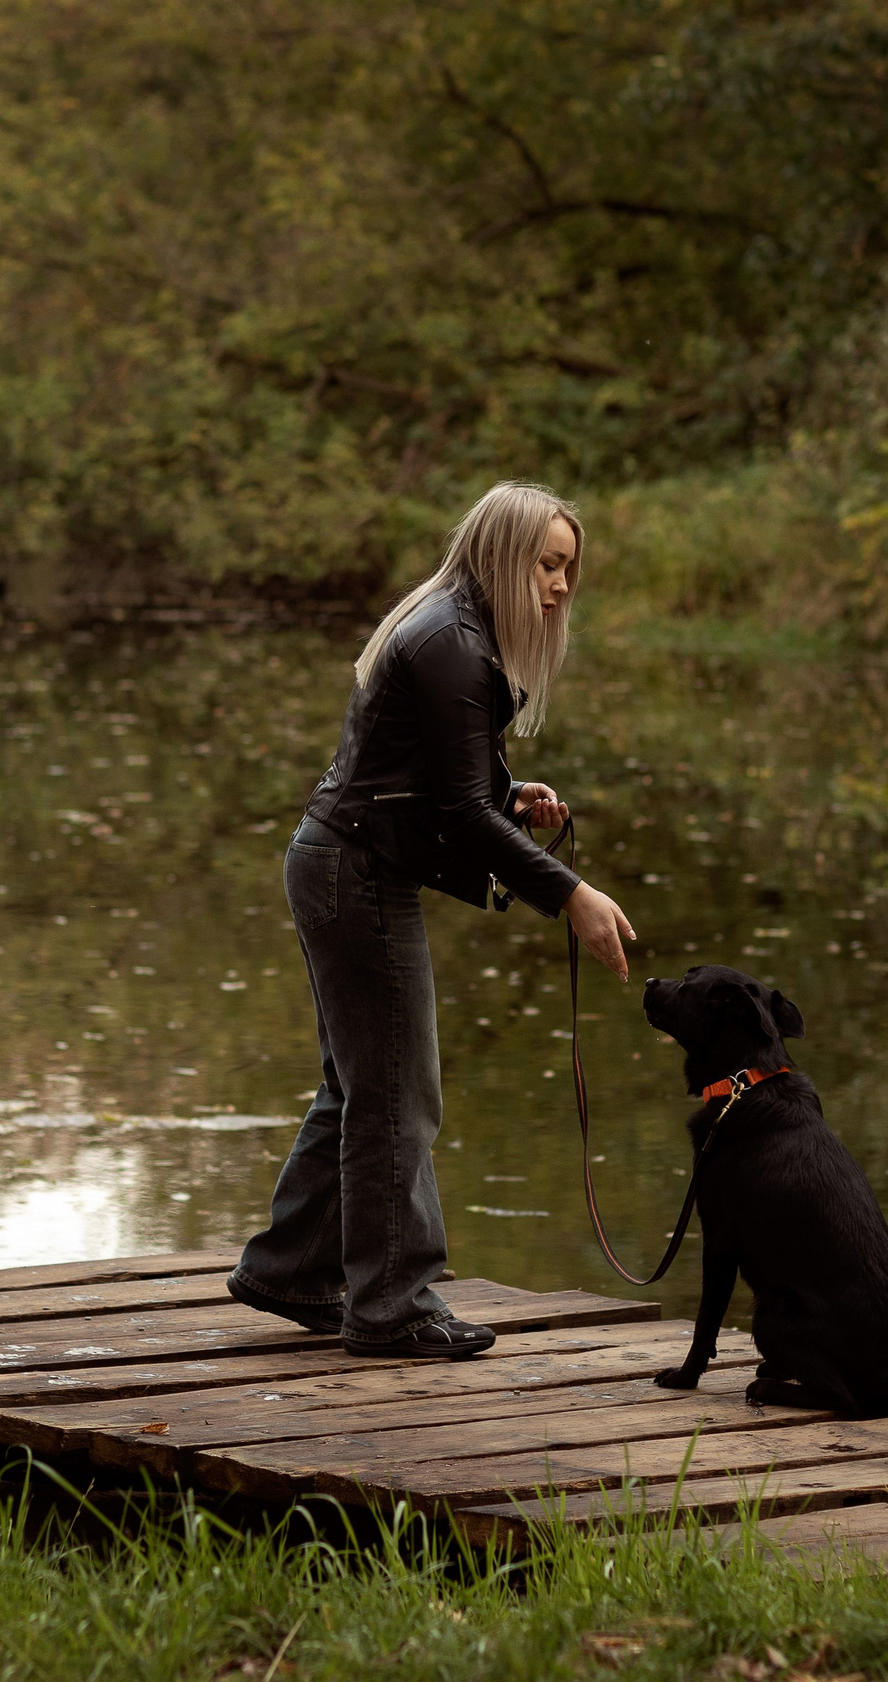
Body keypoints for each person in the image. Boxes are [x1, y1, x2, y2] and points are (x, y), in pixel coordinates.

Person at [227, 481, 637, 1359]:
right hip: (356, 872)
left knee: (363, 1085)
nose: (563, 585)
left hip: (341, 860)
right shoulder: (452, 640)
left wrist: (507, 794)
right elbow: (455, 813)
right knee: (400, 1091)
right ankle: (391, 1306)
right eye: (548, 564)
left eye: (570, 568)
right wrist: (571, 893)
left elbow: (441, 782)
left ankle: (292, 1270)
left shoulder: (454, 623)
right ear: (503, 555)